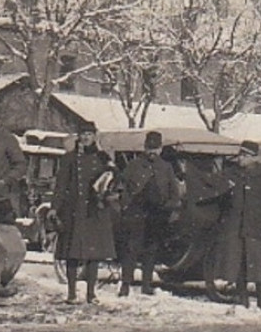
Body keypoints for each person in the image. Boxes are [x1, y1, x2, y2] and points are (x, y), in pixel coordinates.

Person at [52, 123, 117, 304]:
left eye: (89, 134)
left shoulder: (102, 158)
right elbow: (61, 185)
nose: (86, 137)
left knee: (93, 255)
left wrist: (110, 173)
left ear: (95, 136)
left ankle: (91, 293)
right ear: (78, 136)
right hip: (74, 210)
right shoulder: (69, 159)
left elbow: (113, 181)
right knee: (72, 253)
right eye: (83, 134)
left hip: (95, 210)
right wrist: (54, 208)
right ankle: (72, 293)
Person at [216, 140, 261, 310]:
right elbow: (222, 198)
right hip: (236, 225)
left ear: (254, 158)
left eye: (245, 155)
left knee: (258, 264)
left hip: (256, 226)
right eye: (240, 155)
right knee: (239, 263)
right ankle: (242, 296)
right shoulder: (232, 174)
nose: (240, 159)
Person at [117, 130, 180, 295]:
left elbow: (174, 192)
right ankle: (125, 284)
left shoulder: (166, 167)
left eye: (155, 149)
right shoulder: (134, 165)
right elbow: (122, 187)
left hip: (157, 214)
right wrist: (125, 205)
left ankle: (146, 284)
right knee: (131, 249)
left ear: (160, 149)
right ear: (145, 148)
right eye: (149, 148)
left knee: (151, 250)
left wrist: (169, 207)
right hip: (136, 212)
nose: (152, 152)